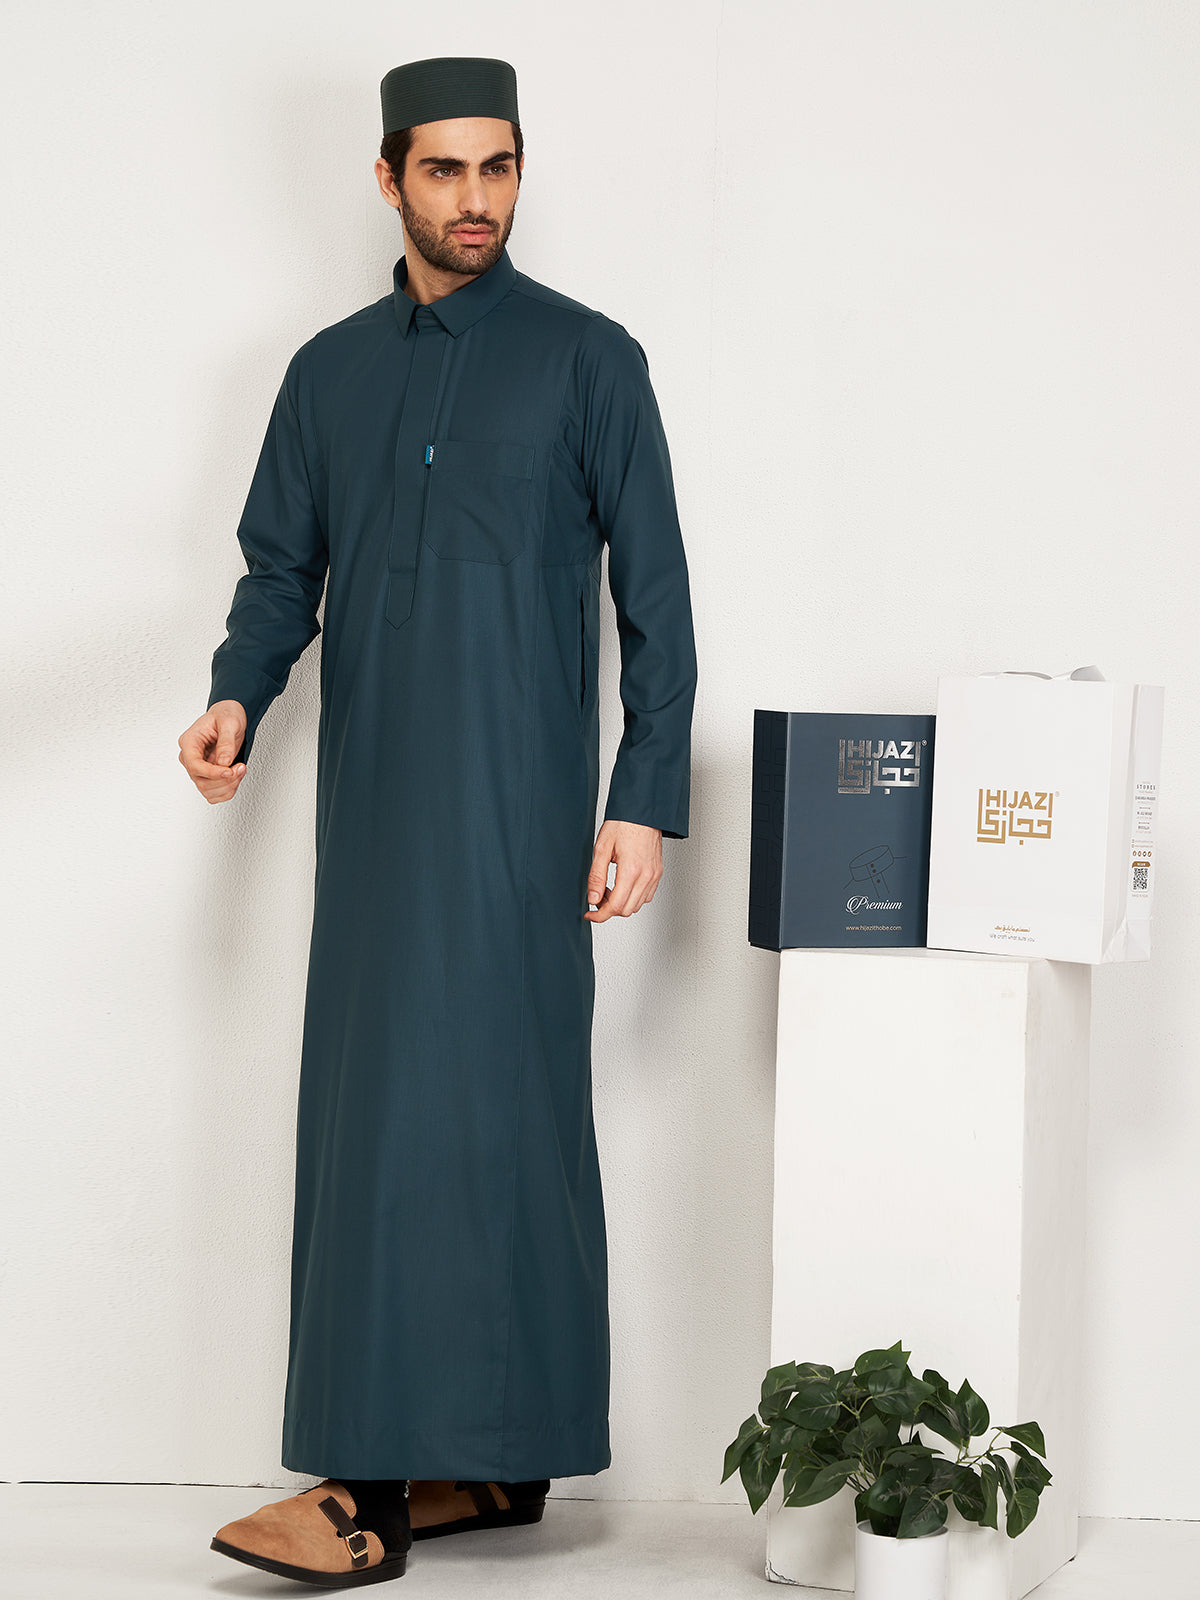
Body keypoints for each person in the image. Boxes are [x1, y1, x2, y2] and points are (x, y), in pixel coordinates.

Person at [179, 55, 698, 1587]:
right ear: (391, 179)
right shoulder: (328, 371)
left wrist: (643, 799)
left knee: (513, 1118)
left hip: (530, 813)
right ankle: (409, 1465)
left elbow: (656, 603)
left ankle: (444, 1467)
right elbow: (283, 568)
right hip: (377, 816)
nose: (479, 200)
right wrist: (236, 693)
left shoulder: (590, 360)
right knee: (376, 1121)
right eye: (449, 172)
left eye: (503, 169)